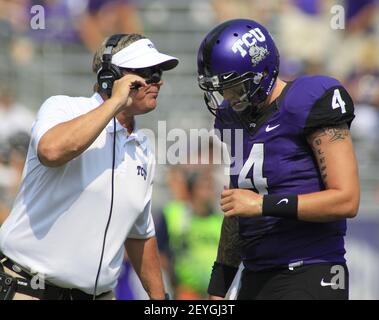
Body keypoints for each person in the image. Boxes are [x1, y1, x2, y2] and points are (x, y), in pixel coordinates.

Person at [0, 33, 178, 300]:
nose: (157, 81)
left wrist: (160, 300)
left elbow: (140, 234)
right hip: (30, 289)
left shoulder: (143, 147)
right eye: (147, 73)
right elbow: (52, 150)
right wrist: (115, 102)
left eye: (158, 73)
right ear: (111, 76)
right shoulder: (63, 107)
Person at [197, 19, 359, 300]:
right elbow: (239, 208)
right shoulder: (230, 120)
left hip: (310, 269)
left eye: (236, 87)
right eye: (222, 89)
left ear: (261, 71)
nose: (228, 97)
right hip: (256, 276)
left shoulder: (309, 99)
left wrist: (262, 205)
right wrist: (219, 288)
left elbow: (346, 199)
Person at [157, 166, 223, 299]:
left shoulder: (220, 221)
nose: (208, 192)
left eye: (211, 187)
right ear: (192, 189)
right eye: (204, 187)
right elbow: (160, 252)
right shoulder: (174, 214)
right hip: (186, 290)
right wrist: (171, 282)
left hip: (216, 293)